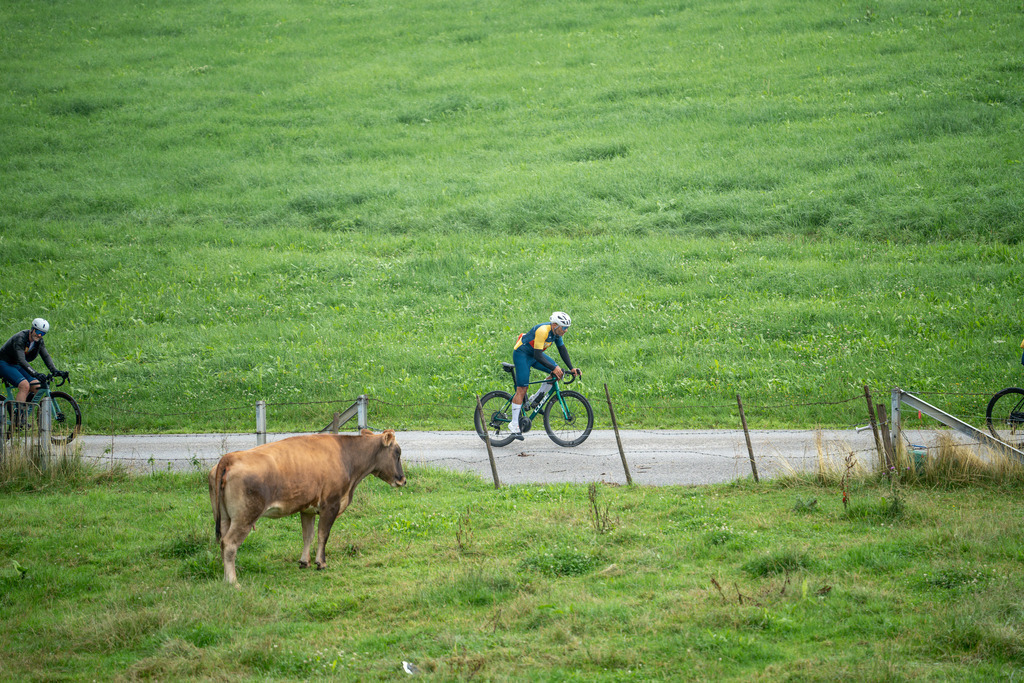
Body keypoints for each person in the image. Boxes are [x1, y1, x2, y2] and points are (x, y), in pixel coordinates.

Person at [507, 311, 582, 440]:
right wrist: (554, 367)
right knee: (522, 389)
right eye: (564, 327)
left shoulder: (556, 334)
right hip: (522, 354)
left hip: (535, 354)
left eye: (567, 328)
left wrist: (571, 368)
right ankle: (514, 425)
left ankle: (534, 400)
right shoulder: (543, 331)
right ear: (555, 325)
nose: (566, 330)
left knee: (557, 374)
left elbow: (562, 350)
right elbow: (538, 356)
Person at [0, 318, 67, 409]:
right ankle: (18, 418)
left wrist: (55, 370)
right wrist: (35, 373)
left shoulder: (39, 341)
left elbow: (46, 356)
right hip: (4, 363)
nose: (39, 335)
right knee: (24, 386)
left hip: (17, 364)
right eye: (38, 331)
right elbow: (21, 360)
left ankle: (23, 410)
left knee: (37, 386)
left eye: (42, 333)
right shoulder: (20, 338)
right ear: (32, 329)